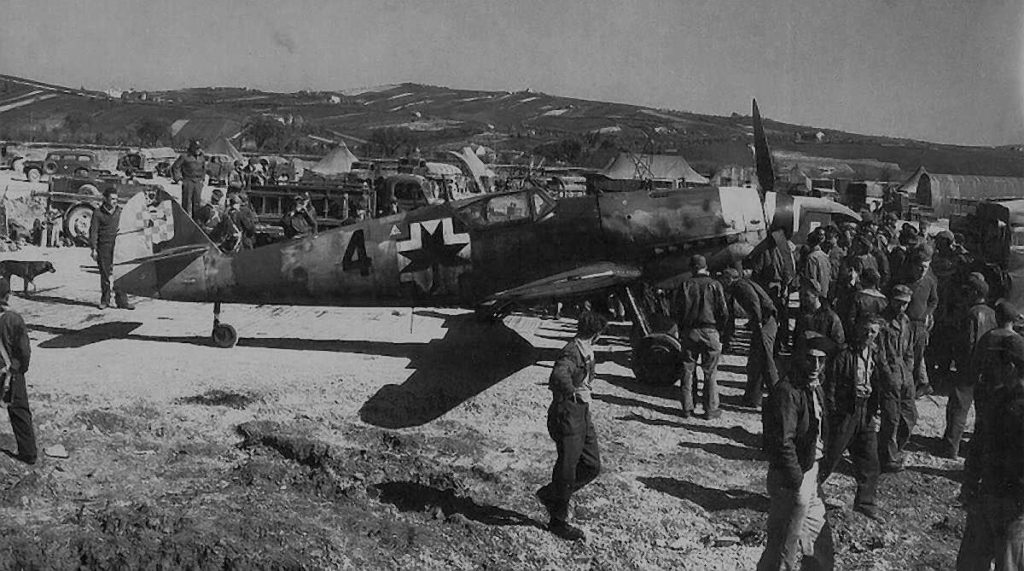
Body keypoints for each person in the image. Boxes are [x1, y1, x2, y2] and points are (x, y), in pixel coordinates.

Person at [758, 333, 835, 570]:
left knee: (820, 539)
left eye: (821, 361)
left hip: (810, 473)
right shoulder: (787, 391)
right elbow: (783, 442)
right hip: (793, 478)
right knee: (783, 546)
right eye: (810, 359)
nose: (816, 366)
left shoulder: (814, 388)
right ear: (800, 358)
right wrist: (796, 479)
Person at [536, 311, 608, 542]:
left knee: (592, 464)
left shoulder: (583, 348)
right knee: (568, 466)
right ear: (597, 334)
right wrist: (572, 393)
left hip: (581, 413)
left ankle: (552, 494)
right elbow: (558, 375)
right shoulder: (572, 351)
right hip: (568, 413)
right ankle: (558, 521)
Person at [957, 331, 1024, 569]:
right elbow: (977, 445)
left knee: (1009, 565)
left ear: (1012, 366)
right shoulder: (996, 397)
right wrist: (969, 483)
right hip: (987, 496)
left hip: (1014, 507)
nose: (995, 367)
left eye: (1000, 362)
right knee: (970, 564)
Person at [820, 318, 883, 520]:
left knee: (870, 460)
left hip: (865, 412)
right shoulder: (844, 355)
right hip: (845, 413)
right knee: (830, 456)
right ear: (857, 330)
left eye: (873, 332)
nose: (869, 335)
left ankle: (866, 502)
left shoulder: (875, 355)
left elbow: (881, 381)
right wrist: (832, 413)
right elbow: (830, 386)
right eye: (866, 330)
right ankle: (804, 494)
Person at [941, 275, 996, 459]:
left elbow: (968, 342)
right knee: (982, 411)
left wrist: (959, 362)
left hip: (968, 367)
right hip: (985, 368)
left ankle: (951, 447)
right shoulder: (992, 314)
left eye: (968, 291)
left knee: (958, 408)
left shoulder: (971, 314)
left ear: (974, 292)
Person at [674, 254, 730, 419]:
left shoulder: (685, 285)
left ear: (692, 268)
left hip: (690, 332)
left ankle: (687, 408)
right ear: (706, 267)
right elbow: (723, 311)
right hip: (710, 330)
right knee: (710, 372)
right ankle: (710, 410)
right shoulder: (715, 284)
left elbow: (677, 310)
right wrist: (719, 330)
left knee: (687, 370)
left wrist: (682, 329)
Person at [722, 268, 778, 410]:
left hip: (764, 324)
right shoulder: (743, 283)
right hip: (764, 322)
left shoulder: (739, 286)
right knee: (755, 361)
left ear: (729, 279)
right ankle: (752, 398)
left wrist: (757, 322)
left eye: (724, 279)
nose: (723, 282)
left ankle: (779, 396)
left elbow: (754, 302)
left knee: (766, 361)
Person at [876, 285, 917, 472]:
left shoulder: (906, 321)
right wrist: (888, 376)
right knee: (891, 419)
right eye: (899, 303)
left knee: (910, 416)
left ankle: (893, 450)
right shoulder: (882, 323)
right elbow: (880, 354)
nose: (901, 308)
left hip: (905, 376)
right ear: (891, 300)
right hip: (889, 375)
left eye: (905, 304)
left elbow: (910, 350)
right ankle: (887, 458)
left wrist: (909, 371)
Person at [0, 277, 35, 465]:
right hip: (10, 373)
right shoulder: (13, 319)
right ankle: (28, 453)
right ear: (8, 295)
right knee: (20, 412)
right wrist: (20, 370)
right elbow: (24, 351)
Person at [88, 188, 134, 310]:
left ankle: (122, 301)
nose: (115, 201)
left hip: (118, 247)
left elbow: (127, 227)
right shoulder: (98, 213)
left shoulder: (120, 212)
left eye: (116, 198)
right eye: (112, 199)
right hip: (103, 248)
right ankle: (105, 300)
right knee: (105, 275)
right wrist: (93, 249)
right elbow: (93, 232)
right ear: (105, 199)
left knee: (121, 274)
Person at [903, 248, 938, 398]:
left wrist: (927, 314)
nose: (923, 270)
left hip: (921, 326)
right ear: (914, 266)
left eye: (926, 267)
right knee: (905, 356)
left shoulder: (930, 282)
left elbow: (934, 300)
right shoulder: (905, 280)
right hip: (906, 324)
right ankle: (906, 385)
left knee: (918, 357)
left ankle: (917, 386)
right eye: (920, 267)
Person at [793, 284, 845, 361]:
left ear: (816, 295)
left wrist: (817, 338)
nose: (802, 298)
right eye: (801, 294)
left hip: (824, 362)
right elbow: (796, 340)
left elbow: (839, 345)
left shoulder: (831, 317)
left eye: (806, 295)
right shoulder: (802, 316)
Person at [170, 140, 207, 218]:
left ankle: (196, 220)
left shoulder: (202, 157)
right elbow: (175, 167)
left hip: (198, 182)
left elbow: (204, 169)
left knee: (197, 202)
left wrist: (202, 179)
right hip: (188, 180)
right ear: (192, 148)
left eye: (199, 148)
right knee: (186, 202)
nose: (198, 150)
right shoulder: (185, 156)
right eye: (196, 148)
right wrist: (178, 179)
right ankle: (185, 219)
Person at [800, 228, 832, 302]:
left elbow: (812, 279)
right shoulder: (825, 256)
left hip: (815, 296)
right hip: (825, 293)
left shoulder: (811, 258)